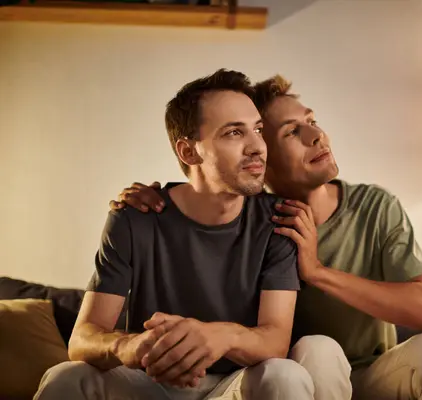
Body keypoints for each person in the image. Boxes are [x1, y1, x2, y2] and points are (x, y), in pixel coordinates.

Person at [110, 75, 422, 400]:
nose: (316, 135)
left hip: (375, 374)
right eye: (291, 131)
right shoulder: (257, 222)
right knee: (318, 349)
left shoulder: (374, 207)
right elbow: (206, 188)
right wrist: (147, 199)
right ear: (261, 157)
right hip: (298, 376)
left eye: (312, 121)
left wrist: (316, 271)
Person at [34, 70, 318, 400]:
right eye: (233, 133)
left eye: (257, 129)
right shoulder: (134, 217)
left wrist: (219, 336)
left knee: (285, 374)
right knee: (66, 377)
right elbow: (81, 340)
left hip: (233, 386)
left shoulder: (279, 218)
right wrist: (130, 345)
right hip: (149, 382)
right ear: (188, 152)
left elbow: (275, 340)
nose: (257, 146)